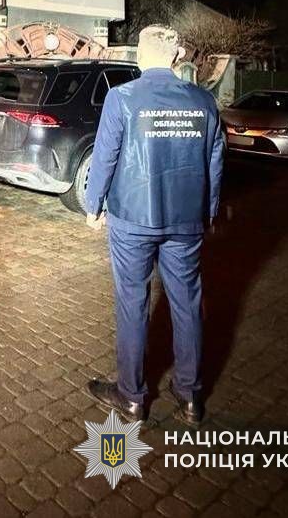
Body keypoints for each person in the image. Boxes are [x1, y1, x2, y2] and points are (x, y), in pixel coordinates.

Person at [84, 25, 225, 424]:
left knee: (133, 303)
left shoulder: (123, 97)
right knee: (187, 304)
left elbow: (105, 155)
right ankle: (191, 395)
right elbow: (215, 162)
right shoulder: (204, 101)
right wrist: (209, 212)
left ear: (142, 56)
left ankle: (131, 396)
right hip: (186, 220)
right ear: (175, 57)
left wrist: (93, 206)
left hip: (132, 218)